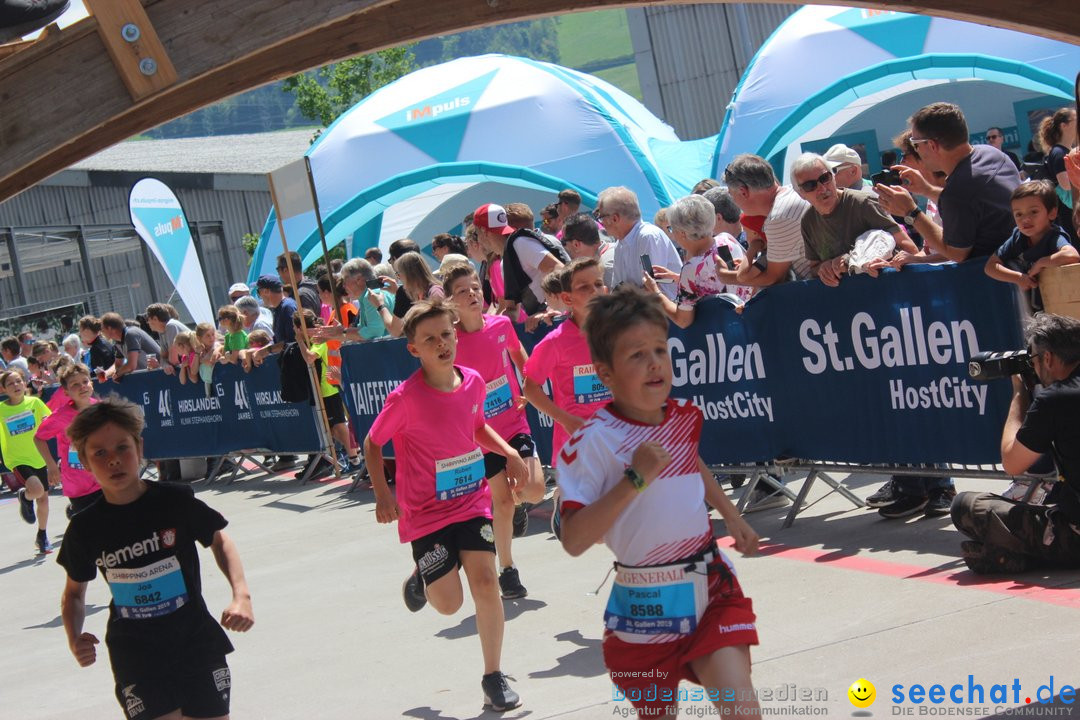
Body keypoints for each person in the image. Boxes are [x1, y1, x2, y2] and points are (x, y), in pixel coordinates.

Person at [557, 285, 761, 719]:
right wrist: (634, 478)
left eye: (660, 350)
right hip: (642, 611)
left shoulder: (684, 414)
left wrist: (731, 516)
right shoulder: (590, 443)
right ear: (605, 373)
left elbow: (691, 462)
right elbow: (574, 540)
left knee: (742, 710)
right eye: (636, 355)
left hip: (710, 586)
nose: (654, 363)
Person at [362, 298, 527, 712]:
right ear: (413, 349)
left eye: (446, 334)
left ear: (456, 334)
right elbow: (372, 443)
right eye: (429, 339)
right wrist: (384, 494)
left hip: (471, 501)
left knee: (486, 584)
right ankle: (423, 576)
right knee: (450, 604)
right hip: (426, 513)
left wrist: (508, 452)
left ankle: (493, 676)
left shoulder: (471, 381)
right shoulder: (404, 399)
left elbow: (477, 425)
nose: (442, 344)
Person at [57, 396, 255, 720]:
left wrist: (241, 596)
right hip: (135, 653)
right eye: (100, 453)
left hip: (194, 641)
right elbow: (74, 594)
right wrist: (74, 636)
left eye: (122, 448)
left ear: (139, 447)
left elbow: (220, 540)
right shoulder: (85, 527)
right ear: (85, 461)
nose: (113, 461)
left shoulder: (175, 500)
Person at [443, 262, 547, 599]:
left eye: (474, 287)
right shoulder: (451, 340)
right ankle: (508, 570)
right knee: (500, 503)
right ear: (451, 301)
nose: (472, 294)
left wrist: (528, 388)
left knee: (532, 491)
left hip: (513, 421)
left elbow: (520, 356)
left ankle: (518, 506)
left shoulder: (501, 324)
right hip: (479, 434)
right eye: (462, 291)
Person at [952, 313, 1080, 573]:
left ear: (1047, 358)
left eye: (1032, 360)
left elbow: (1012, 462)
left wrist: (1020, 393)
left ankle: (1021, 554)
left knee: (966, 506)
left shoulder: (1055, 399)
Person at [875, 102, 1020, 263]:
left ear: (931, 145)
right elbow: (973, 202)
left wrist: (912, 212)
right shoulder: (992, 154)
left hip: (994, 280)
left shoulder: (957, 191)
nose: (916, 150)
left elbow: (956, 253)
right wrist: (927, 189)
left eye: (915, 144)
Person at [522, 258, 611, 476]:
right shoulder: (555, 342)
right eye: (584, 287)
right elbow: (530, 388)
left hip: (617, 439)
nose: (594, 291)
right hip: (577, 445)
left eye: (598, 284)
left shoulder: (620, 332)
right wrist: (566, 420)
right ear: (567, 298)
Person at [791, 153, 918, 286]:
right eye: (810, 185)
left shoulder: (863, 203)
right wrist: (825, 268)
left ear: (833, 177)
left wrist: (885, 264)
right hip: (850, 301)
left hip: (888, 290)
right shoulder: (808, 221)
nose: (822, 188)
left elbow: (910, 249)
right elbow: (814, 267)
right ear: (800, 194)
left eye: (825, 178)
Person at [643, 194, 752, 328]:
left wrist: (655, 291)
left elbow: (683, 321)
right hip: (748, 327)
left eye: (671, 228)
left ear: (682, 233)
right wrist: (678, 278)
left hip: (723, 337)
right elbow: (722, 279)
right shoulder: (726, 240)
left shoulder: (691, 270)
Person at [986, 180, 1079, 306]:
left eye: (1034, 212)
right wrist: (1019, 278)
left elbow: (1071, 255)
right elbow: (990, 267)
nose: (1025, 219)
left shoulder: (1053, 236)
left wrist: (1041, 263)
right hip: (1033, 309)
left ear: (1052, 213)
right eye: (1018, 214)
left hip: (1058, 306)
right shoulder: (1017, 237)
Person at [725, 154, 813, 286]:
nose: (735, 202)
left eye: (732, 196)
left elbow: (773, 278)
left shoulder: (778, 217)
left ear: (743, 192)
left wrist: (725, 277)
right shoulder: (791, 192)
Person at [475, 202, 567, 317]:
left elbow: (558, 268)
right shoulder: (506, 258)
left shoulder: (520, 244)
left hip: (561, 318)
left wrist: (549, 308)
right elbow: (512, 310)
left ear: (483, 231)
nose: (478, 240)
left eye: (476, 234)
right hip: (547, 323)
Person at [33, 363, 101, 518]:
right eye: (75, 384)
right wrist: (51, 466)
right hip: (78, 483)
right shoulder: (60, 416)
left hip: (102, 477)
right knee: (91, 526)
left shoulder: (100, 408)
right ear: (66, 392)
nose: (82, 387)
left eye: (85, 382)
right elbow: (38, 438)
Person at [1, 369, 53, 554]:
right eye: (10, 384)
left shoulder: (35, 403)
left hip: (38, 456)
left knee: (44, 500)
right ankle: (25, 496)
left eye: (18, 381)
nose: (15, 386)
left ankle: (42, 535)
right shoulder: (1, 409)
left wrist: (48, 420)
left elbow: (49, 419)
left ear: (24, 384)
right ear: (4, 389)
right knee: (37, 490)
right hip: (17, 459)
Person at [596, 186, 681, 299]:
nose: (601, 223)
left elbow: (652, 288)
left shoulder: (647, 236)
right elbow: (616, 289)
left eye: (601, 217)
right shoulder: (620, 245)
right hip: (641, 311)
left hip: (664, 312)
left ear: (615, 218)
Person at [1037, 107, 1077, 241]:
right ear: (1064, 126)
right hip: (1069, 214)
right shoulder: (1059, 152)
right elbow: (1065, 184)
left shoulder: (1065, 150)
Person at [561, 212, 616, 289]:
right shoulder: (614, 249)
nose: (564, 247)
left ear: (576, 244)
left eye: (563, 241)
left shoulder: (605, 269)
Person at [100, 313, 159, 382]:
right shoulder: (118, 341)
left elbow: (131, 365)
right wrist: (106, 374)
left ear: (109, 328)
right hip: (147, 377)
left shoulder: (131, 334)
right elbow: (118, 365)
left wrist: (118, 374)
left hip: (160, 373)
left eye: (102, 329)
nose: (101, 332)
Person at [252, 274, 297, 362]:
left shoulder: (288, 307)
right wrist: (260, 352)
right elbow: (277, 341)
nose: (259, 296)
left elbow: (293, 341)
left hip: (297, 366)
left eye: (258, 292)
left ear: (266, 291)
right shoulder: (278, 309)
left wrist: (267, 351)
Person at [145, 303, 188, 376]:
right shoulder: (162, 331)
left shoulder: (171, 326)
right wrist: (164, 365)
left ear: (155, 318)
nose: (147, 322)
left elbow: (174, 360)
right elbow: (163, 357)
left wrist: (160, 366)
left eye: (148, 319)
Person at [277, 251, 320, 317]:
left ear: (285, 270)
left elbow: (307, 324)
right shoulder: (310, 285)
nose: (278, 273)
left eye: (278, 269)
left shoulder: (301, 295)